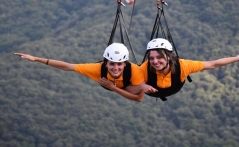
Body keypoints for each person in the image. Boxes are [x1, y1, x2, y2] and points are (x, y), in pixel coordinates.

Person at [14, 43, 157, 102]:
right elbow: (67, 66)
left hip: (130, 87)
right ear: (105, 63)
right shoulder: (97, 69)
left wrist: (112, 88)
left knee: (138, 87)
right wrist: (36, 59)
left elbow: (138, 99)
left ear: (125, 64)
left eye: (119, 64)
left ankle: (142, 85)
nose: (115, 68)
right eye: (112, 64)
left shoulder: (135, 71)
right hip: (115, 85)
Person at [135, 38, 239, 101]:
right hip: (152, 90)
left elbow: (212, 64)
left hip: (174, 87)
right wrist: (141, 85)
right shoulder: (145, 67)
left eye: (159, 57)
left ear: (168, 56)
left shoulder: (183, 66)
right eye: (151, 58)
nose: (155, 62)